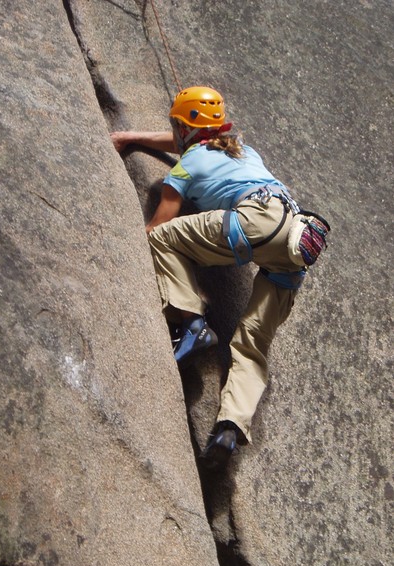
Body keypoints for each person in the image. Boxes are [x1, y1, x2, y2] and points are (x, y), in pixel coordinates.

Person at [110, 86, 310, 467]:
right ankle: (231, 427)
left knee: (163, 238)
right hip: (297, 235)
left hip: (255, 221)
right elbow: (189, 141)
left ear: (183, 128)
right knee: (253, 345)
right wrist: (135, 137)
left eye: (175, 126)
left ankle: (192, 323)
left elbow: (159, 225)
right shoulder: (244, 151)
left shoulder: (187, 164)